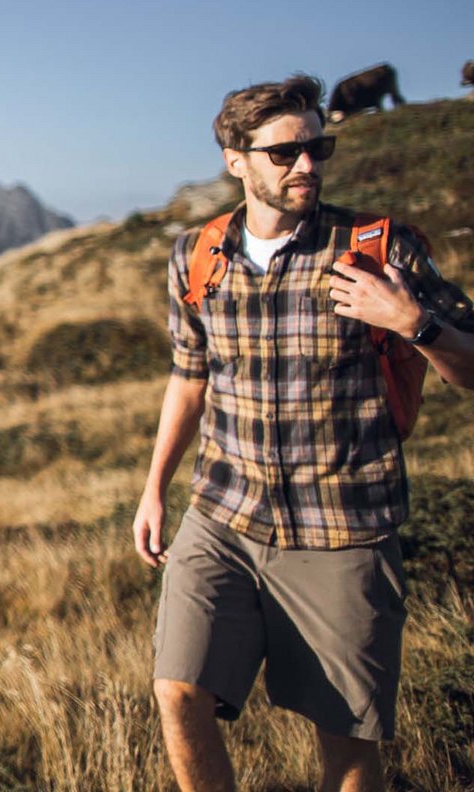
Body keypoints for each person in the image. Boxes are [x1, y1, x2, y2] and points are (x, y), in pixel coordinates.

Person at [132, 75, 474, 792]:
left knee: (346, 743)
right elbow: (189, 375)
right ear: (237, 160)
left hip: (343, 528)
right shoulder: (197, 256)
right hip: (223, 515)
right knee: (176, 691)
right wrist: (155, 489)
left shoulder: (380, 251)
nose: (308, 166)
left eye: (318, 147)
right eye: (286, 153)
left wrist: (413, 323)